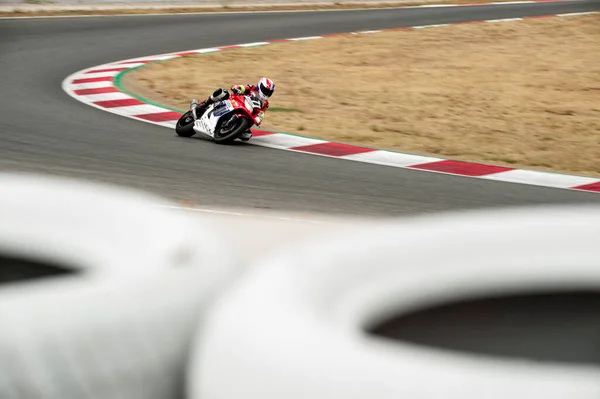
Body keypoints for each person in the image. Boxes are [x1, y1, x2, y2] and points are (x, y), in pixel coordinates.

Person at [190, 77, 275, 141]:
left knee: (247, 136)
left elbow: (261, 113)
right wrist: (236, 88)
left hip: (246, 113)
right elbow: (240, 87)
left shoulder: (265, 104)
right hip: (233, 102)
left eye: (269, 92)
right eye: (265, 90)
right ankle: (203, 105)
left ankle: (231, 129)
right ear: (260, 86)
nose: (266, 93)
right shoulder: (251, 88)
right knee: (223, 92)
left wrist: (258, 119)